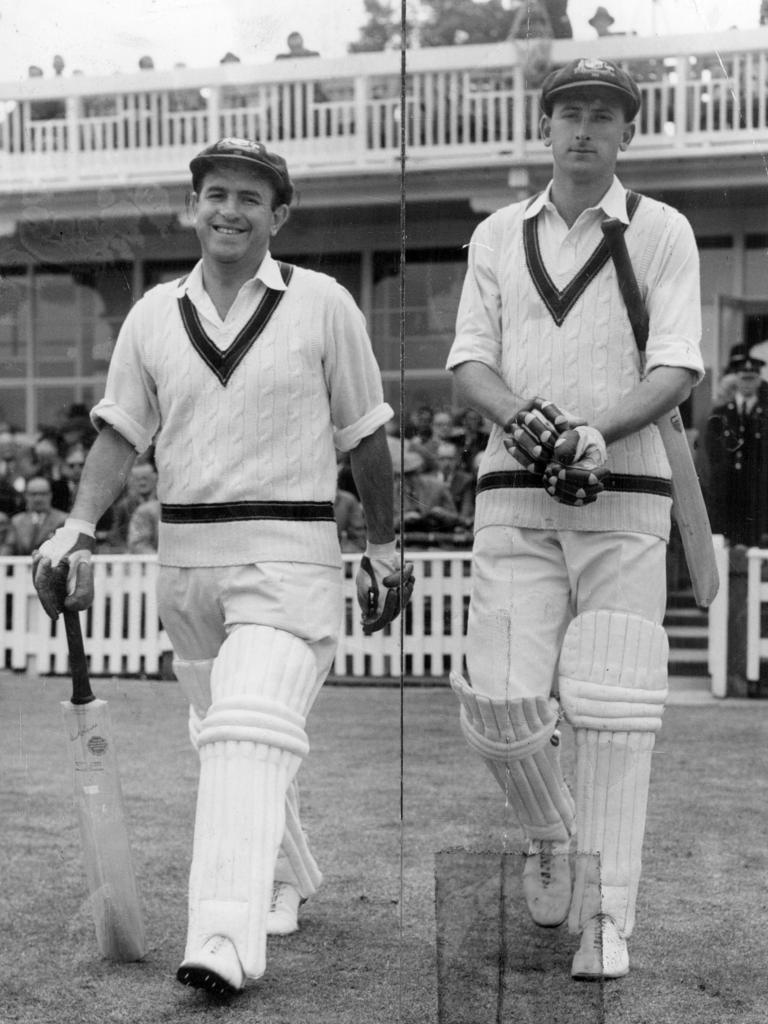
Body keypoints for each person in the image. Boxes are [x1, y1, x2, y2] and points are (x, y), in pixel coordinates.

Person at [32, 136, 412, 997]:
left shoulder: (322, 303)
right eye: (215, 194)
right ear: (192, 206)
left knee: (244, 731)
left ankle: (222, 942)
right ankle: (288, 874)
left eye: (249, 197)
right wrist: (77, 529)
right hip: (187, 566)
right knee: (229, 738)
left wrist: (383, 545)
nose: (229, 211)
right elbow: (122, 432)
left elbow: (367, 435)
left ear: (278, 215)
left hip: (291, 559)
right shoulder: (152, 315)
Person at [446, 58, 703, 981]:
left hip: (625, 498)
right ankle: (553, 829)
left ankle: (608, 919)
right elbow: (470, 363)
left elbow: (677, 367)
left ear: (626, 132)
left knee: (611, 709)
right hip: (513, 496)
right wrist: (518, 416)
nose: (585, 130)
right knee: (500, 702)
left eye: (604, 115)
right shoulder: (495, 235)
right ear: (545, 127)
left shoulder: (662, 232)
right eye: (570, 114)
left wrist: (598, 429)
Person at [704, 350, 768, 547]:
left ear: (758, 380)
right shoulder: (721, 413)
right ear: (736, 379)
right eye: (743, 378)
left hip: (759, 489)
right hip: (728, 487)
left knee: (756, 543)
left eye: (752, 378)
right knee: (725, 541)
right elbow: (712, 448)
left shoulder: (765, 412)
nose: (747, 383)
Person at [1, 475, 67, 555]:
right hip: (21, 566)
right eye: (33, 494)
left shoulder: (63, 519)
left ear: (50, 495)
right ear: (26, 496)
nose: (38, 499)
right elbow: (8, 548)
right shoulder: (17, 521)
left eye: (43, 494)